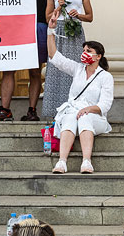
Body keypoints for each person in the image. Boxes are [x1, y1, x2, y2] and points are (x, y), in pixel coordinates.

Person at [46, 9, 114, 174]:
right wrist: (51, 31)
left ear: (98, 56)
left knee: (84, 119)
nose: (85, 54)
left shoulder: (105, 77)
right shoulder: (77, 69)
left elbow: (105, 104)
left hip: (95, 117)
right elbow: (55, 57)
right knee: (69, 117)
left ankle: (86, 161)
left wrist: (87, 109)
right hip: (74, 111)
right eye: (84, 51)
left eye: (89, 51)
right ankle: (62, 162)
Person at [42, 0, 94, 119]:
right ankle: (55, 109)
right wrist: (59, 6)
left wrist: (78, 15)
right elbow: (47, 17)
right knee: (57, 67)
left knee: (77, 68)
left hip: (76, 32)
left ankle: (76, 106)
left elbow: (90, 16)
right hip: (58, 31)